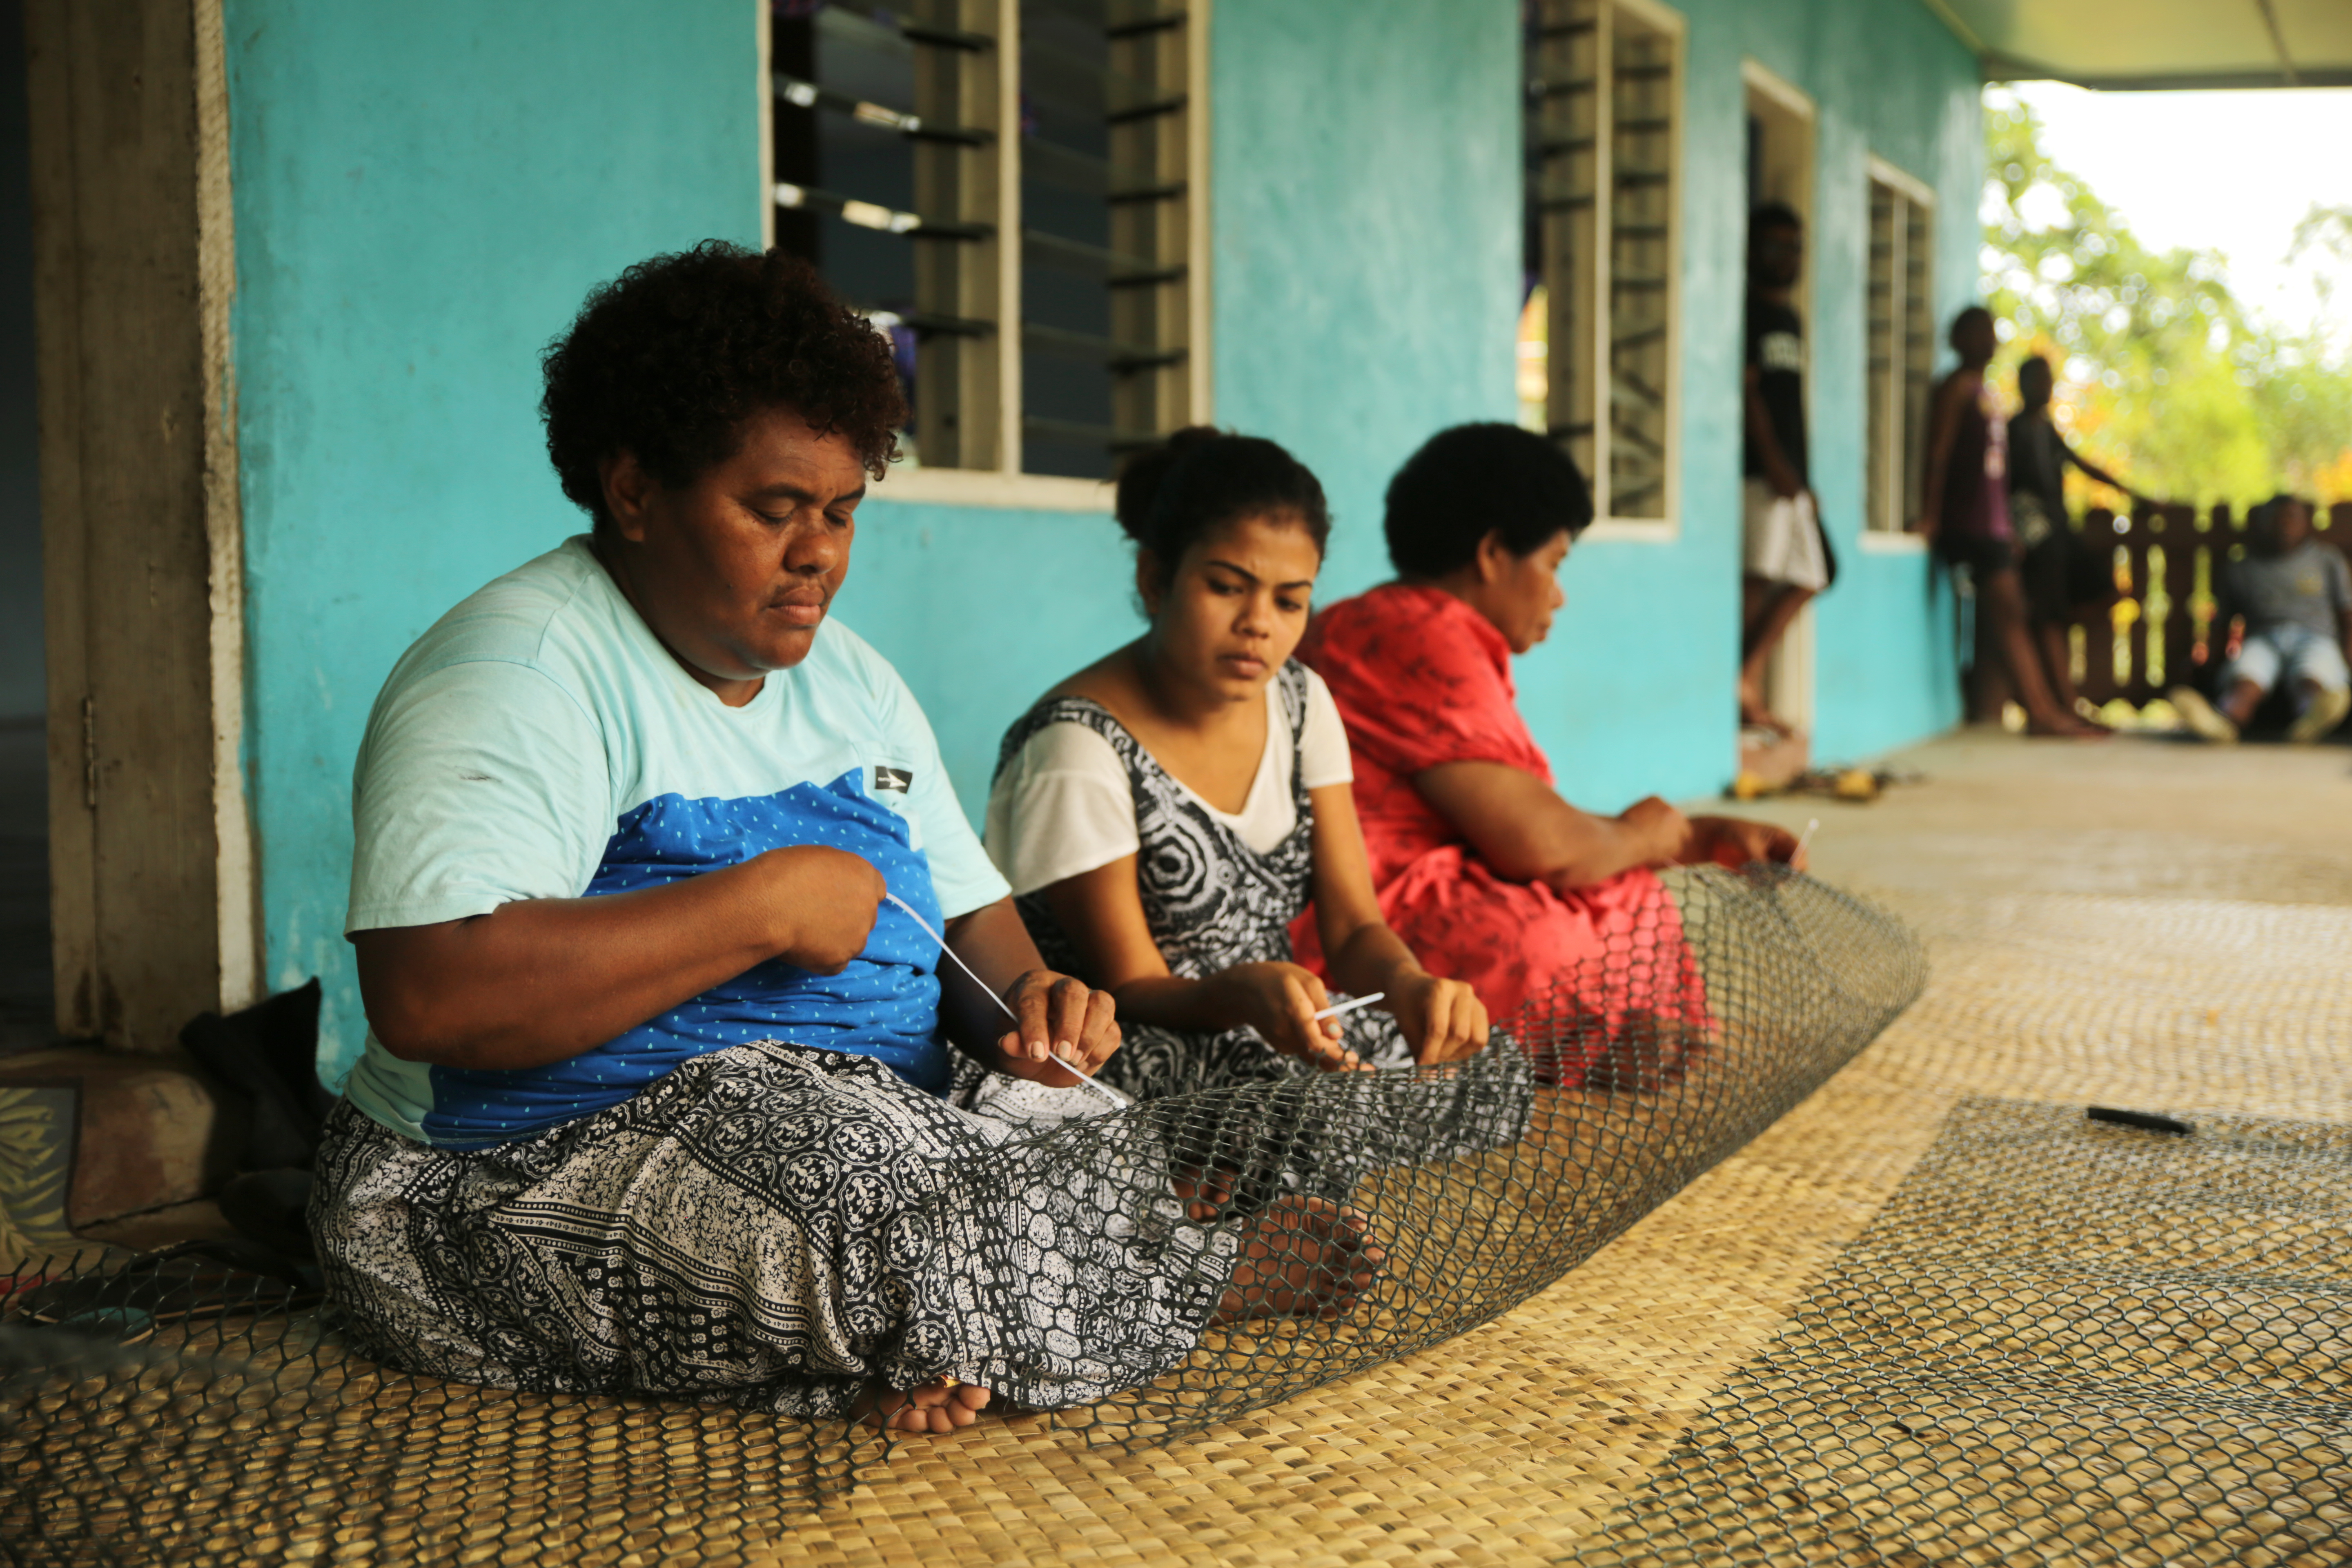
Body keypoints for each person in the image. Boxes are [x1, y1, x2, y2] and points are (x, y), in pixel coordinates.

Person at [309, 245, 1379, 1436]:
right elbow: (432, 994)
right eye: (773, 510)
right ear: (635, 491)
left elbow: (969, 920)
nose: (817, 550)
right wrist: (756, 908)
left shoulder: (854, 682)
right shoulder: (521, 671)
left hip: (860, 1114)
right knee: (859, 1191)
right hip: (504, 1170)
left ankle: (916, 1337)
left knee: (1117, 1117)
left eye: (841, 510)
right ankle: (1153, 1282)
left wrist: (1035, 1005)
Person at [986, 428, 1495, 1103]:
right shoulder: (1077, 746)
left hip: (1270, 1022)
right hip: (1125, 1039)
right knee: (1288, 1110)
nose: (1259, 623)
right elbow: (1129, 986)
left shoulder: (1302, 702)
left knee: (1487, 1071)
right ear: (1155, 580)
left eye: (1290, 601)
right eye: (1228, 587)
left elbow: (1352, 928)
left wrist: (1409, 987)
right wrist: (1241, 996)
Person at [1296, 423, 1802, 1071]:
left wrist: (1690, 836)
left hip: (1411, 891)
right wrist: (1660, 836)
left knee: (1626, 888)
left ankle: (1607, 1040)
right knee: (1550, 933)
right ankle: (1591, 1046)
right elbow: (1541, 844)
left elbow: (1516, 818)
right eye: (1554, 564)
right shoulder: (1416, 632)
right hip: (1355, 924)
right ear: (1491, 554)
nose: (1558, 595)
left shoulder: (1396, 619)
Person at [1914, 307, 2104, 737]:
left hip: (1992, 525)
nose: (1988, 340)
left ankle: (2040, 709)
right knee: (2012, 614)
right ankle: (2042, 712)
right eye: (1977, 332)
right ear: (1957, 340)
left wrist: (2007, 527)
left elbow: (1998, 475)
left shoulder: (1987, 393)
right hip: (1968, 524)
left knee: (2011, 616)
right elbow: (1939, 453)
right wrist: (1930, 515)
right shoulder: (1956, 388)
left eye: (1991, 332)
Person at [1739, 202, 1835, 737]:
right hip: (1759, 472)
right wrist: (1773, 461)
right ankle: (1742, 687)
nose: (1786, 258)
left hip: (1791, 475)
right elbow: (1750, 392)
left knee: (1813, 573)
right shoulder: (1749, 313)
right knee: (1759, 575)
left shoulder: (1790, 320)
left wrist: (1804, 478)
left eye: (1794, 248)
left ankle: (1744, 676)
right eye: (1775, 247)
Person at [2007, 353, 2144, 721]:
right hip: (2036, 537)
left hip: (2061, 531)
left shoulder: (2046, 429)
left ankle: (2055, 623)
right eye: (2039, 380)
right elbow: (2004, 489)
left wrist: (2129, 492)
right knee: (2048, 617)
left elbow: (2081, 464)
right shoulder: (2013, 431)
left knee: (2103, 593)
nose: (2046, 387)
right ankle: (2065, 702)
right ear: (2022, 385)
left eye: (2049, 380)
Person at [2172, 494, 2352, 744]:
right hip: (2263, 639)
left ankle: (2310, 722)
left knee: (2312, 679)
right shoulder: (2241, 567)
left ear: (2306, 523)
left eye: (2292, 518)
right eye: (2276, 519)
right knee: (2246, 681)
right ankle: (2222, 723)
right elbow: (2223, 623)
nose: (2284, 525)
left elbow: (2347, 613)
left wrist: (2349, 654)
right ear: (2262, 524)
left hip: (2316, 637)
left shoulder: (2327, 559)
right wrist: (2211, 663)